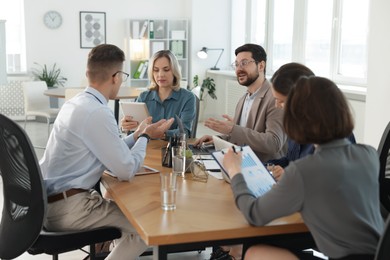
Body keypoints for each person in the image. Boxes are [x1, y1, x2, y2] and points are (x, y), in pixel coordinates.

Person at [223, 76, 384, 260]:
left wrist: (235, 170)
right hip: (378, 253)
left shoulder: (304, 170)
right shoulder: (368, 154)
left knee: (254, 251)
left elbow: (254, 214)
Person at [39, 44, 174, 259]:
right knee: (146, 227)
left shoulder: (75, 104)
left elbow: (109, 147)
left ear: (88, 74)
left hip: (48, 204)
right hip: (71, 209)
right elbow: (127, 170)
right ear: (116, 77)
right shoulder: (98, 112)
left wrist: (137, 136)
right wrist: (147, 136)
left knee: (129, 219)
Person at [194, 43, 287, 162]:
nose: (239, 69)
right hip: (241, 163)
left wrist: (232, 129)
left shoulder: (275, 99)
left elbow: (274, 143)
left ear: (261, 66)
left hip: (264, 168)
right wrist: (218, 139)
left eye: (244, 63)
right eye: (236, 64)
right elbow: (243, 136)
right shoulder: (243, 99)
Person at [266, 62, 356, 180]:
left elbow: (328, 179)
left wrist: (291, 176)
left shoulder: (331, 134)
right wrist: (266, 167)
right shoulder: (297, 124)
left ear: (300, 100)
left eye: (281, 101)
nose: (277, 105)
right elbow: (291, 160)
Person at [123, 50, 196, 138]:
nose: (160, 75)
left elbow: (184, 132)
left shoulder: (188, 97)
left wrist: (161, 134)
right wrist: (127, 127)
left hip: (172, 148)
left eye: (166, 70)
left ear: (174, 71)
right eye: (156, 70)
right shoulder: (143, 97)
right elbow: (135, 132)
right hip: (146, 148)